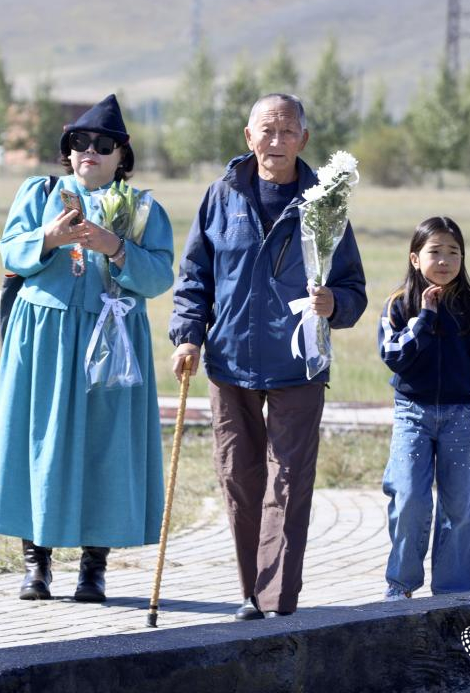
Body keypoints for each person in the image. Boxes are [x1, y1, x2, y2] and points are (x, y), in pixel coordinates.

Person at [169, 93, 367, 620]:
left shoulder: (324, 203)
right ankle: (248, 592)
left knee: (288, 479)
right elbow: (195, 276)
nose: (276, 141)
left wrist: (335, 304)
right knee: (239, 476)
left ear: (303, 139)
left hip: (297, 363)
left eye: (287, 131)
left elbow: (353, 288)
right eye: (266, 130)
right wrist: (188, 336)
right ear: (248, 136)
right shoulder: (221, 196)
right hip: (229, 358)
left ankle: (274, 598)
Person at [0, 94, 174, 603]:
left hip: (114, 340)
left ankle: (94, 569)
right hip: (44, 334)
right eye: (80, 142)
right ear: (68, 151)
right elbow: (10, 252)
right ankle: (36, 565)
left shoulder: (143, 208)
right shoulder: (40, 192)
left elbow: (159, 277)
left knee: (104, 445)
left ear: (121, 156)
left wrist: (116, 248)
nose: (90, 151)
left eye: (104, 145)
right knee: (39, 441)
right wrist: (48, 238)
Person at [377, 216, 470, 599]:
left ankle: (454, 593)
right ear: (415, 258)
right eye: (435, 251)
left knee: (460, 506)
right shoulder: (398, 304)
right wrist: (425, 317)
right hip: (412, 415)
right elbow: (394, 357)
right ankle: (401, 586)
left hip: (459, 418)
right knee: (409, 499)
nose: (444, 260)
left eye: (453, 252)